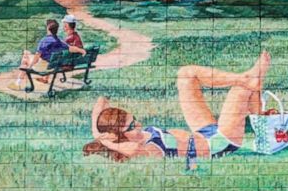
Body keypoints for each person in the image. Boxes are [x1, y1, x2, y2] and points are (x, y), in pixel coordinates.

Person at [83, 52, 269, 162]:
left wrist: (97, 132)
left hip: (204, 132)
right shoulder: (144, 149)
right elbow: (131, 151)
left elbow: (101, 102)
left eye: (135, 120)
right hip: (220, 143)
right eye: (131, 127)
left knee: (186, 74)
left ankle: (247, 83)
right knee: (240, 90)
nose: (138, 125)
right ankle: (253, 95)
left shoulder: (129, 137)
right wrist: (105, 141)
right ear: (118, 136)